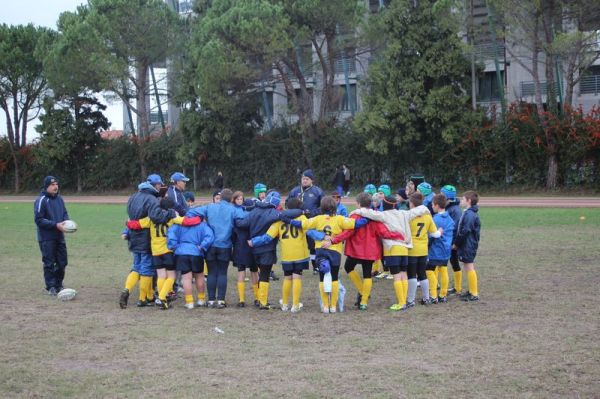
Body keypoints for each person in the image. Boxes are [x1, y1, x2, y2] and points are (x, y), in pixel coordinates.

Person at [351, 195, 430, 311]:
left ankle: (401, 303)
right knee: (403, 275)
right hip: (405, 249)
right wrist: (426, 209)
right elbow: (421, 209)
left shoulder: (383, 215)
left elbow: (368, 212)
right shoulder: (404, 214)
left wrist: (355, 211)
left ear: (384, 205)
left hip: (392, 249)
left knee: (397, 276)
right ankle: (404, 301)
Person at [291, 196, 368, 314]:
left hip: (320, 250)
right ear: (334, 207)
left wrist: (287, 219)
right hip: (334, 251)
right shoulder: (340, 219)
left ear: (322, 207)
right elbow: (358, 223)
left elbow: (300, 224)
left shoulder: (317, 219)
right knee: (334, 277)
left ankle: (325, 307)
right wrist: (369, 216)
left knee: (322, 278)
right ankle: (333, 306)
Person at [330, 192, 405, 310]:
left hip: (355, 250)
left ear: (358, 204)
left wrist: (334, 240)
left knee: (348, 267)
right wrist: (398, 235)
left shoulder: (355, 216)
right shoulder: (375, 217)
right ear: (370, 204)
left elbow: (348, 232)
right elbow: (383, 232)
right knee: (367, 274)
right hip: (370, 252)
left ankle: (362, 291)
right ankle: (364, 301)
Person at [125, 197, 202, 309]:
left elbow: (137, 225)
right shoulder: (172, 217)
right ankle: (162, 297)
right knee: (171, 276)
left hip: (156, 251)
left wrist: (128, 223)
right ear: (171, 208)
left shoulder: (151, 218)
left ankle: (161, 298)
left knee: (161, 275)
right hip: (168, 251)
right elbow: (187, 222)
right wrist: (199, 218)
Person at [236, 191, 302, 309]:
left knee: (258, 274)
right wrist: (303, 211)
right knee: (264, 275)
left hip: (254, 250)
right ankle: (263, 302)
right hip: (267, 249)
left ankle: (260, 299)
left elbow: (242, 224)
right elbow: (290, 214)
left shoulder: (253, 212)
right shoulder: (274, 213)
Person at [249, 198, 316, 313]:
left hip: (286, 255)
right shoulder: (302, 217)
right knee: (297, 277)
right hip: (300, 253)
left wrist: (253, 241)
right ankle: (295, 305)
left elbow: (267, 237)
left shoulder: (279, 220)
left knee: (287, 277)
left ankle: (284, 304)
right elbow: (310, 232)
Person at [119, 174, 176, 309]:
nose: (160, 187)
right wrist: (170, 214)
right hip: (146, 239)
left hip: (133, 237)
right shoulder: (152, 199)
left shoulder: (133, 197)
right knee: (146, 269)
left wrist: (127, 231)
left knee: (136, 267)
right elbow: (156, 217)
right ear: (154, 185)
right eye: (159, 185)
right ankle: (143, 298)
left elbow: (130, 218)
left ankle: (127, 289)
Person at [186, 188, 246, 308]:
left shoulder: (209, 207)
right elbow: (244, 217)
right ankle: (221, 300)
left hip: (210, 245)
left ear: (221, 197)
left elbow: (191, 212)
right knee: (222, 273)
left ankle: (211, 299)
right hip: (225, 245)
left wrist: (200, 221)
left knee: (212, 272)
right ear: (231, 199)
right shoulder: (233, 209)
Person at [167, 210, 214, 309]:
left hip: (182, 253)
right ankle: (201, 299)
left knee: (186, 278)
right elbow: (209, 236)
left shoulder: (179, 224)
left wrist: (174, 247)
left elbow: (171, 235)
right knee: (199, 276)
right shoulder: (202, 225)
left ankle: (189, 302)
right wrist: (202, 246)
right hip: (196, 252)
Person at [34, 176, 70, 296]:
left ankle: (59, 284)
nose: (56, 186)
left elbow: (64, 213)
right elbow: (39, 220)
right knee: (49, 263)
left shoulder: (59, 199)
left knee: (62, 262)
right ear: (46, 186)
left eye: (56, 184)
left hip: (59, 236)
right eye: (53, 184)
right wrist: (56, 225)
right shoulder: (41, 200)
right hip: (46, 237)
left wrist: (67, 222)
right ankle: (51, 287)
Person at [286, 169, 324, 274]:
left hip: (311, 222)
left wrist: (312, 213)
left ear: (312, 180)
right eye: (303, 178)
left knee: (312, 245)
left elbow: (323, 206)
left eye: (307, 179)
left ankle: (315, 266)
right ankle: (299, 267)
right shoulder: (294, 191)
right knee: (298, 244)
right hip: (297, 222)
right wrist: (294, 213)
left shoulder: (318, 191)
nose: (304, 181)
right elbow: (287, 203)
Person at [407, 192, 440, 306]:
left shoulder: (409, 216)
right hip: (423, 250)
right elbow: (435, 234)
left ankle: (410, 300)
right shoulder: (428, 216)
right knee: (422, 274)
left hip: (411, 249)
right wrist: (440, 232)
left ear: (412, 203)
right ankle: (426, 298)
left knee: (411, 275)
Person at [231, 192, 259, 307]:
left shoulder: (237, 218)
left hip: (240, 246)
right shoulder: (255, 218)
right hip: (252, 247)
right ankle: (257, 298)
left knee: (241, 272)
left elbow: (233, 235)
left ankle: (241, 300)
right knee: (254, 272)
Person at [426, 193, 455, 304]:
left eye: (433, 205)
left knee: (429, 270)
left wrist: (428, 245)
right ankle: (443, 295)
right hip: (446, 250)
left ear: (437, 205)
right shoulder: (450, 219)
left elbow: (432, 235)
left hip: (435, 250)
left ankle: (433, 295)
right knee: (443, 270)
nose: (432, 207)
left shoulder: (435, 219)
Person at [455, 190, 481, 301]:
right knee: (466, 266)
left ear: (469, 201)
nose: (461, 201)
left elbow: (466, 230)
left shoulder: (470, 214)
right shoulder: (468, 212)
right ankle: (471, 290)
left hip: (468, 244)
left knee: (469, 266)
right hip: (467, 244)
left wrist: (457, 243)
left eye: (463, 199)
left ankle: (474, 293)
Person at [441, 185, 463, 295]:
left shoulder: (455, 210)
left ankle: (457, 288)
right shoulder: (449, 207)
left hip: (451, 242)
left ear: (447, 196)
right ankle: (456, 288)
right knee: (452, 263)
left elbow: (455, 228)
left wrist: (454, 243)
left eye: (442, 194)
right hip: (448, 241)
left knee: (454, 263)